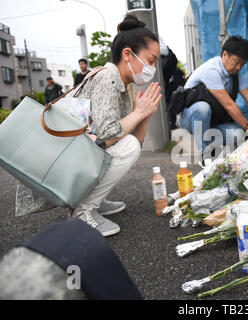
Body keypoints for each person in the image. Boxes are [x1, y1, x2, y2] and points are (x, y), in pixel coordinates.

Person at [70, 14, 162, 237]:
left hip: (77, 152)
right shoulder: (108, 77)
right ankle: (82, 211)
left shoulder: (123, 83)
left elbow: (132, 141)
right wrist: (138, 112)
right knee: (126, 146)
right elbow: (107, 135)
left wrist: (146, 115)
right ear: (128, 54)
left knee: (129, 145)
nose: (153, 68)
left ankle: (95, 201)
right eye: (150, 60)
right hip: (66, 156)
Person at [176, 35, 248, 156]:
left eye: (242, 64)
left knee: (238, 135)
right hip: (189, 118)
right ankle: (205, 156)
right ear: (224, 55)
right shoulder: (211, 70)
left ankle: (229, 159)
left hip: (212, 122)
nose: (238, 67)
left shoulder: (235, 75)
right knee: (202, 108)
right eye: (237, 62)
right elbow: (228, 105)